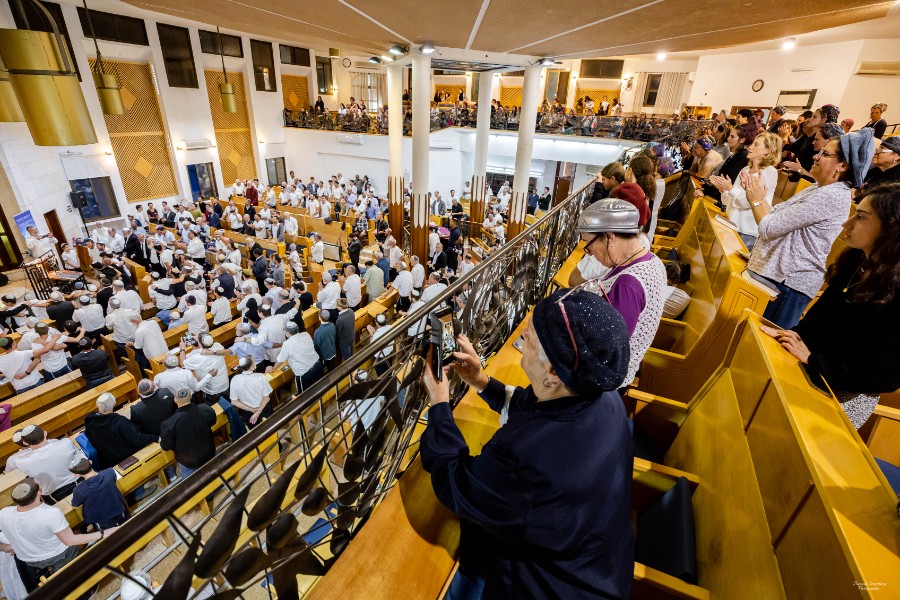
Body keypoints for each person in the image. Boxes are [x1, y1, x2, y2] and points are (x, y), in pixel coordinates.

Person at [420, 290, 634, 600]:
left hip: (550, 586)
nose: (522, 338)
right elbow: (535, 406)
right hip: (600, 566)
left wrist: (439, 403)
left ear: (552, 373)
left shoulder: (526, 458)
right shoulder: (602, 397)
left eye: (530, 339)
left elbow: (454, 483)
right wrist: (481, 382)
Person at [761, 182, 900, 428]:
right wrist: (792, 335)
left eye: (860, 217)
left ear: (891, 229)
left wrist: (814, 360)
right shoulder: (858, 260)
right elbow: (822, 316)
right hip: (812, 368)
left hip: (843, 394)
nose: (846, 224)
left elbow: (886, 375)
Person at [745, 129, 873, 328]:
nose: (816, 155)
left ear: (843, 165)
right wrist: (759, 200)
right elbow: (773, 216)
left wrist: (755, 201)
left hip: (787, 284)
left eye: (825, 154)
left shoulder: (831, 195)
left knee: (755, 346)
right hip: (779, 280)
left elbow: (769, 228)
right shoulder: (819, 188)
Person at [576, 199, 666, 387]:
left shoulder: (628, 285)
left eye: (588, 244)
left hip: (603, 385)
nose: (590, 253)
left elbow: (605, 353)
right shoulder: (651, 260)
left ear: (609, 237)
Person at [0, 479, 117, 592]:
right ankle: (84, 588)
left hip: (30, 560)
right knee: (75, 562)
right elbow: (70, 540)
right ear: (39, 492)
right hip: (59, 554)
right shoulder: (50, 513)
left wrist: (6, 547)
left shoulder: (4, 513)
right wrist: (102, 533)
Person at [720, 132, 783, 249]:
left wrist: (731, 189)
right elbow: (727, 202)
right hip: (730, 225)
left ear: (767, 151)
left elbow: (748, 202)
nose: (750, 147)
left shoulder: (769, 172)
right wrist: (723, 190)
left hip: (746, 233)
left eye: (756, 145)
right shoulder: (745, 169)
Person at [84, 392, 158, 472]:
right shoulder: (120, 422)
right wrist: (156, 437)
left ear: (97, 405)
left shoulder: (90, 421)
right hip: (128, 458)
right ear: (115, 403)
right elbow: (139, 440)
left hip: (108, 460)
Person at [160, 388, 217, 479]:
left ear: (175, 400)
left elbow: (166, 446)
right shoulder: (204, 409)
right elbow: (213, 421)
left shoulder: (169, 424)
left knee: (192, 486)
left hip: (188, 461)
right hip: (209, 452)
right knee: (214, 477)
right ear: (190, 396)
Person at [69, 457, 128, 529]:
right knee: (126, 526)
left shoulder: (79, 490)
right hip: (118, 509)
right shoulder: (109, 472)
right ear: (90, 462)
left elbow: (75, 505)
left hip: (100, 519)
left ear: (76, 475)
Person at [183, 333, 231, 404]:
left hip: (212, 390)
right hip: (225, 383)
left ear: (199, 344)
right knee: (229, 403)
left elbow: (182, 363)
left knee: (216, 408)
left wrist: (182, 348)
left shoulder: (198, 357)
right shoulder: (218, 345)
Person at [229, 357, 272, 428]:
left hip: (248, 413)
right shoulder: (261, 377)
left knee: (255, 435)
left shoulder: (234, 379)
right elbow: (266, 398)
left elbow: (234, 401)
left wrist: (251, 410)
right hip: (264, 409)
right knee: (271, 431)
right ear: (253, 366)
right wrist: (258, 412)